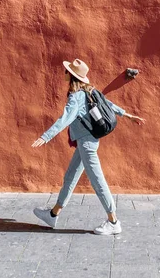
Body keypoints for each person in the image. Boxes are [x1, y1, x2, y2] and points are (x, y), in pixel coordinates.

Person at [32, 58, 146, 235]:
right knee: (70, 177)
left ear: (71, 76)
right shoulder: (90, 91)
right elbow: (108, 105)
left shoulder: (76, 97)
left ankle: (113, 221)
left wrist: (46, 136)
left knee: (97, 180)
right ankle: (53, 214)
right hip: (87, 141)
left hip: (87, 144)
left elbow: (65, 119)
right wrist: (127, 115)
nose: (64, 73)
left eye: (66, 72)